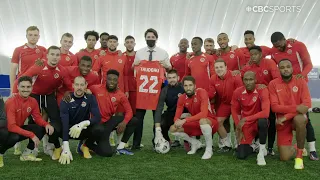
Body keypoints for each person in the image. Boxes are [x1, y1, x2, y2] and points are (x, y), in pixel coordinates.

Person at [270, 32, 318, 160]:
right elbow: (261, 51)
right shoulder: (274, 51)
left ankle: (312, 149)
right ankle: (296, 147)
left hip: (299, 84)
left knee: (304, 120)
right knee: (284, 157)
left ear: (285, 40)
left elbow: (309, 63)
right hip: (283, 86)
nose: (278, 48)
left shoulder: (299, 45)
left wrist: (302, 75)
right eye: (275, 46)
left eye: (280, 45)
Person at [0, 76, 54, 167]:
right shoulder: (11, 102)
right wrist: (31, 135)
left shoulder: (32, 101)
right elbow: (11, 126)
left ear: (32, 87)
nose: (25, 89)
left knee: (40, 129)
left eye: (28, 87)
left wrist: (46, 124)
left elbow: (37, 118)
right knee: (14, 137)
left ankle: (26, 154)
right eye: (23, 87)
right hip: (4, 130)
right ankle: (0, 154)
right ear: (17, 87)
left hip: (17, 128)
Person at [10, 26, 47, 155]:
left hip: (36, 90)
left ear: (39, 36)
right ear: (26, 36)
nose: (33, 37)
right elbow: (13, 70)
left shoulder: (42, 50)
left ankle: (33, 147)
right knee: (17, 118)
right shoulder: (19, 50)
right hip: (20, 88)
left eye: (35, 35)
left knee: (34, 117)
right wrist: (12, 88)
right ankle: (16, 144)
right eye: (30, 35)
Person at [132, 28, 171, 150]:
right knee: (139, 118)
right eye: (148, 37)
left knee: (157, 117)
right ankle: (136, 143)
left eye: (152, 37)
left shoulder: (163, 53)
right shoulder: (139, 53)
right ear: (145, 38)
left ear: (156, 38)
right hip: (142, 91)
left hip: (156, 91)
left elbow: (169, 68)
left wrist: (166, 66)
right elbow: (134, 70)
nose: (150, 39)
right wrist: (135, 65)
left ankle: (157, 142)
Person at [268, 59, 311, 169]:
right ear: (278, 70)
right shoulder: (273, 84)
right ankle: (297, 147)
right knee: (284, 157)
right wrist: (297, 107)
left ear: (292, 68)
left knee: (300, 119)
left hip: (289, 118)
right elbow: (274, 107)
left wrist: (286, 116)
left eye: (288, 66)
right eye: (282, 67)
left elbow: (306, 105)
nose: (285, 69)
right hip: (282, 122)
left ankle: (299, 157)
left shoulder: (300, 81)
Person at [50, 76, 101, 163]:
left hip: (82, 130)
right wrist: (66, 146)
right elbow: (65, 122)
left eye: (82, 85)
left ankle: (85, 146)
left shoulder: (90, 98)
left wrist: (83, 124)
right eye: (77, 84)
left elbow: (97, 117)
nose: (79, 87)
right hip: (68, 130)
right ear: (73, 85)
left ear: (86, 85)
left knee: (99, 128)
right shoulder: (66, 99)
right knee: (51, 127)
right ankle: (58, 148)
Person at [241, 45, 280, 155]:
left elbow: (277, 79)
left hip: (270, 96)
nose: (253, 57)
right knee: (259, 120)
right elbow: (242, 76)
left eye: (255, 54)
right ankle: (257, 143)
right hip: (257, 98)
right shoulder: (249, 66)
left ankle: (270, 147)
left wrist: (266, 87)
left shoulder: (269, 63)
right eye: (251, 55)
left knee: (271, 121)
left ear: (261, 55)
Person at [89, 69, 138, 156]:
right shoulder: (96, 88)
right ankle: (87, 144)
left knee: (134, 120)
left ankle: (120, 147)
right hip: (98, 123)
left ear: (117, 81)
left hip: (109, 122)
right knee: (107, 153)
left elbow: (129, 111)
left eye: (114, 80)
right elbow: (82, 90)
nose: (112, 82)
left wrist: (124, 122)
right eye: (109, 79)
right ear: (105, 79)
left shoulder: (120, 95)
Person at [170, 76, 219, 160]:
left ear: (195, 86)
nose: (188, 88)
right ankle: (195, 143)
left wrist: (185, 120)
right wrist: (176, 122)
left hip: (210, 121)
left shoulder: (201, 92)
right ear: (183, 87)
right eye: (186, 86)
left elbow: (204, 114)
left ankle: (209, 149)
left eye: (190, 85)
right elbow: (177, 116)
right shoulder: (182, 98)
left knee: (202, 121)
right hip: (195, 122)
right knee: (173, 128)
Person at [231, 71, 269, 165]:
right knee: (241, 154)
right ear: (242, 80)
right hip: (246, 125)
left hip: (257, 121)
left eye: (251, 79)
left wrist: (245, 119)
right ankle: (254, 146)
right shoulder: (237, 92)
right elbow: (234, 111)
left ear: (255, 80)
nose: (248, 82)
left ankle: (261, 151)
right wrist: (238, 127)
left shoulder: (262, 90)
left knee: (263, 121)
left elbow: (266, 113)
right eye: (246, 80)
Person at [208, 58, 243, 152]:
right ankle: (226, 144)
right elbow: (211, 93)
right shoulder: (213, 78)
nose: (219, 69)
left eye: (221, 67)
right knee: (217, 122)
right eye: (216, 67)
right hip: (225, 104)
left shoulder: (235, 76)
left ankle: (238, 144)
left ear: (226, 67)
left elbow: (241, 93)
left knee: (238, 123)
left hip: (236, 104)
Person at [154, 69, 185, 145]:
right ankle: (165, 142)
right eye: (170, 78)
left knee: (192, 125)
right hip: (171, 113)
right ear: (167, 79)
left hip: (184, 114)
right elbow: (159, 108)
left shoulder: (184, 87)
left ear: (178, 78)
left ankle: (189, 142)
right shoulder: (165, 90)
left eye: (174, 77)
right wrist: (157, 127)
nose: (172, 80)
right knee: (161, 124)